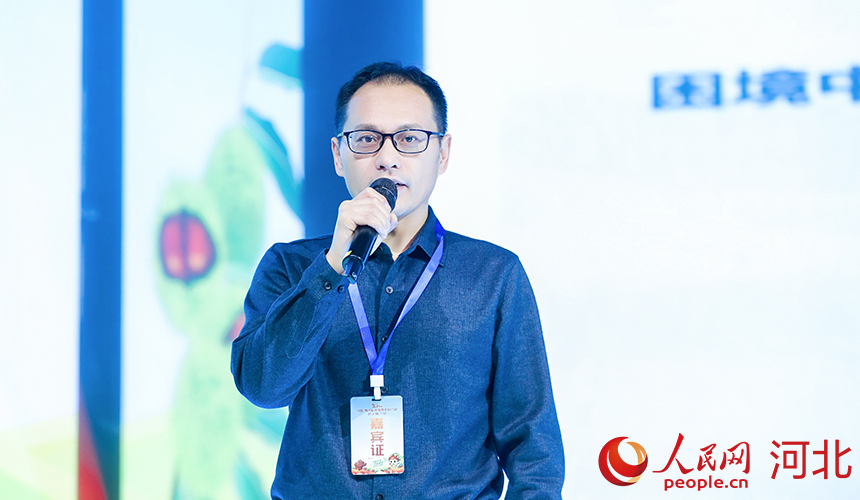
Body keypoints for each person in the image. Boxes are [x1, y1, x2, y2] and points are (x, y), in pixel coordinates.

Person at [231, 61, 564, 499]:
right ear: (338, 155)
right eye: (366, 139)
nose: (387, 158)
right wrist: (332, 268)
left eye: (409, 139)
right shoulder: (290, 266)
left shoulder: (493, 275)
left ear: (442, 153)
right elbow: (262, 387)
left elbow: (533, 446)